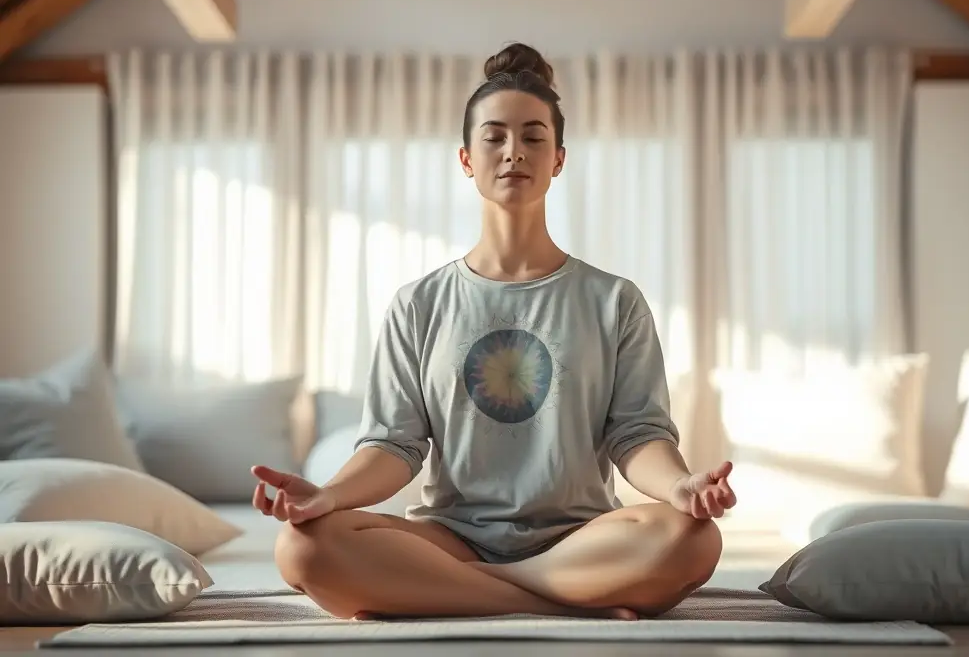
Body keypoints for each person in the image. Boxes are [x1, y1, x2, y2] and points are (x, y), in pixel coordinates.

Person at [251, 43, 737, 621]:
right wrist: (328, 496)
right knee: (302, 547)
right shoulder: (419, 304)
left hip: (582, 537)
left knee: (693, 538)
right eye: (495, 137)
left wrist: (680, 487)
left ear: (558, 158)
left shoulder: (613, 300)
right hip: (449, 538)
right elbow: (394, 445)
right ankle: (563, 601)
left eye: (534, 138)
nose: (514, 153)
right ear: (465, 158)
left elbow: (636, 435)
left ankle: (451, 591)